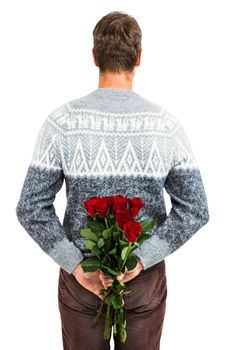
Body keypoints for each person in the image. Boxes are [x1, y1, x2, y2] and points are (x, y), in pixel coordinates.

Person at [16, 10, 209, 350]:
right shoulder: (165, 126)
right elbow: (195, 209)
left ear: (94, 57)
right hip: (143, 283)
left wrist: (75, 265)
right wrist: (142, 258)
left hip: (81, 283)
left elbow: (31, 207)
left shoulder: (62, 122)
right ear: (138, 57)